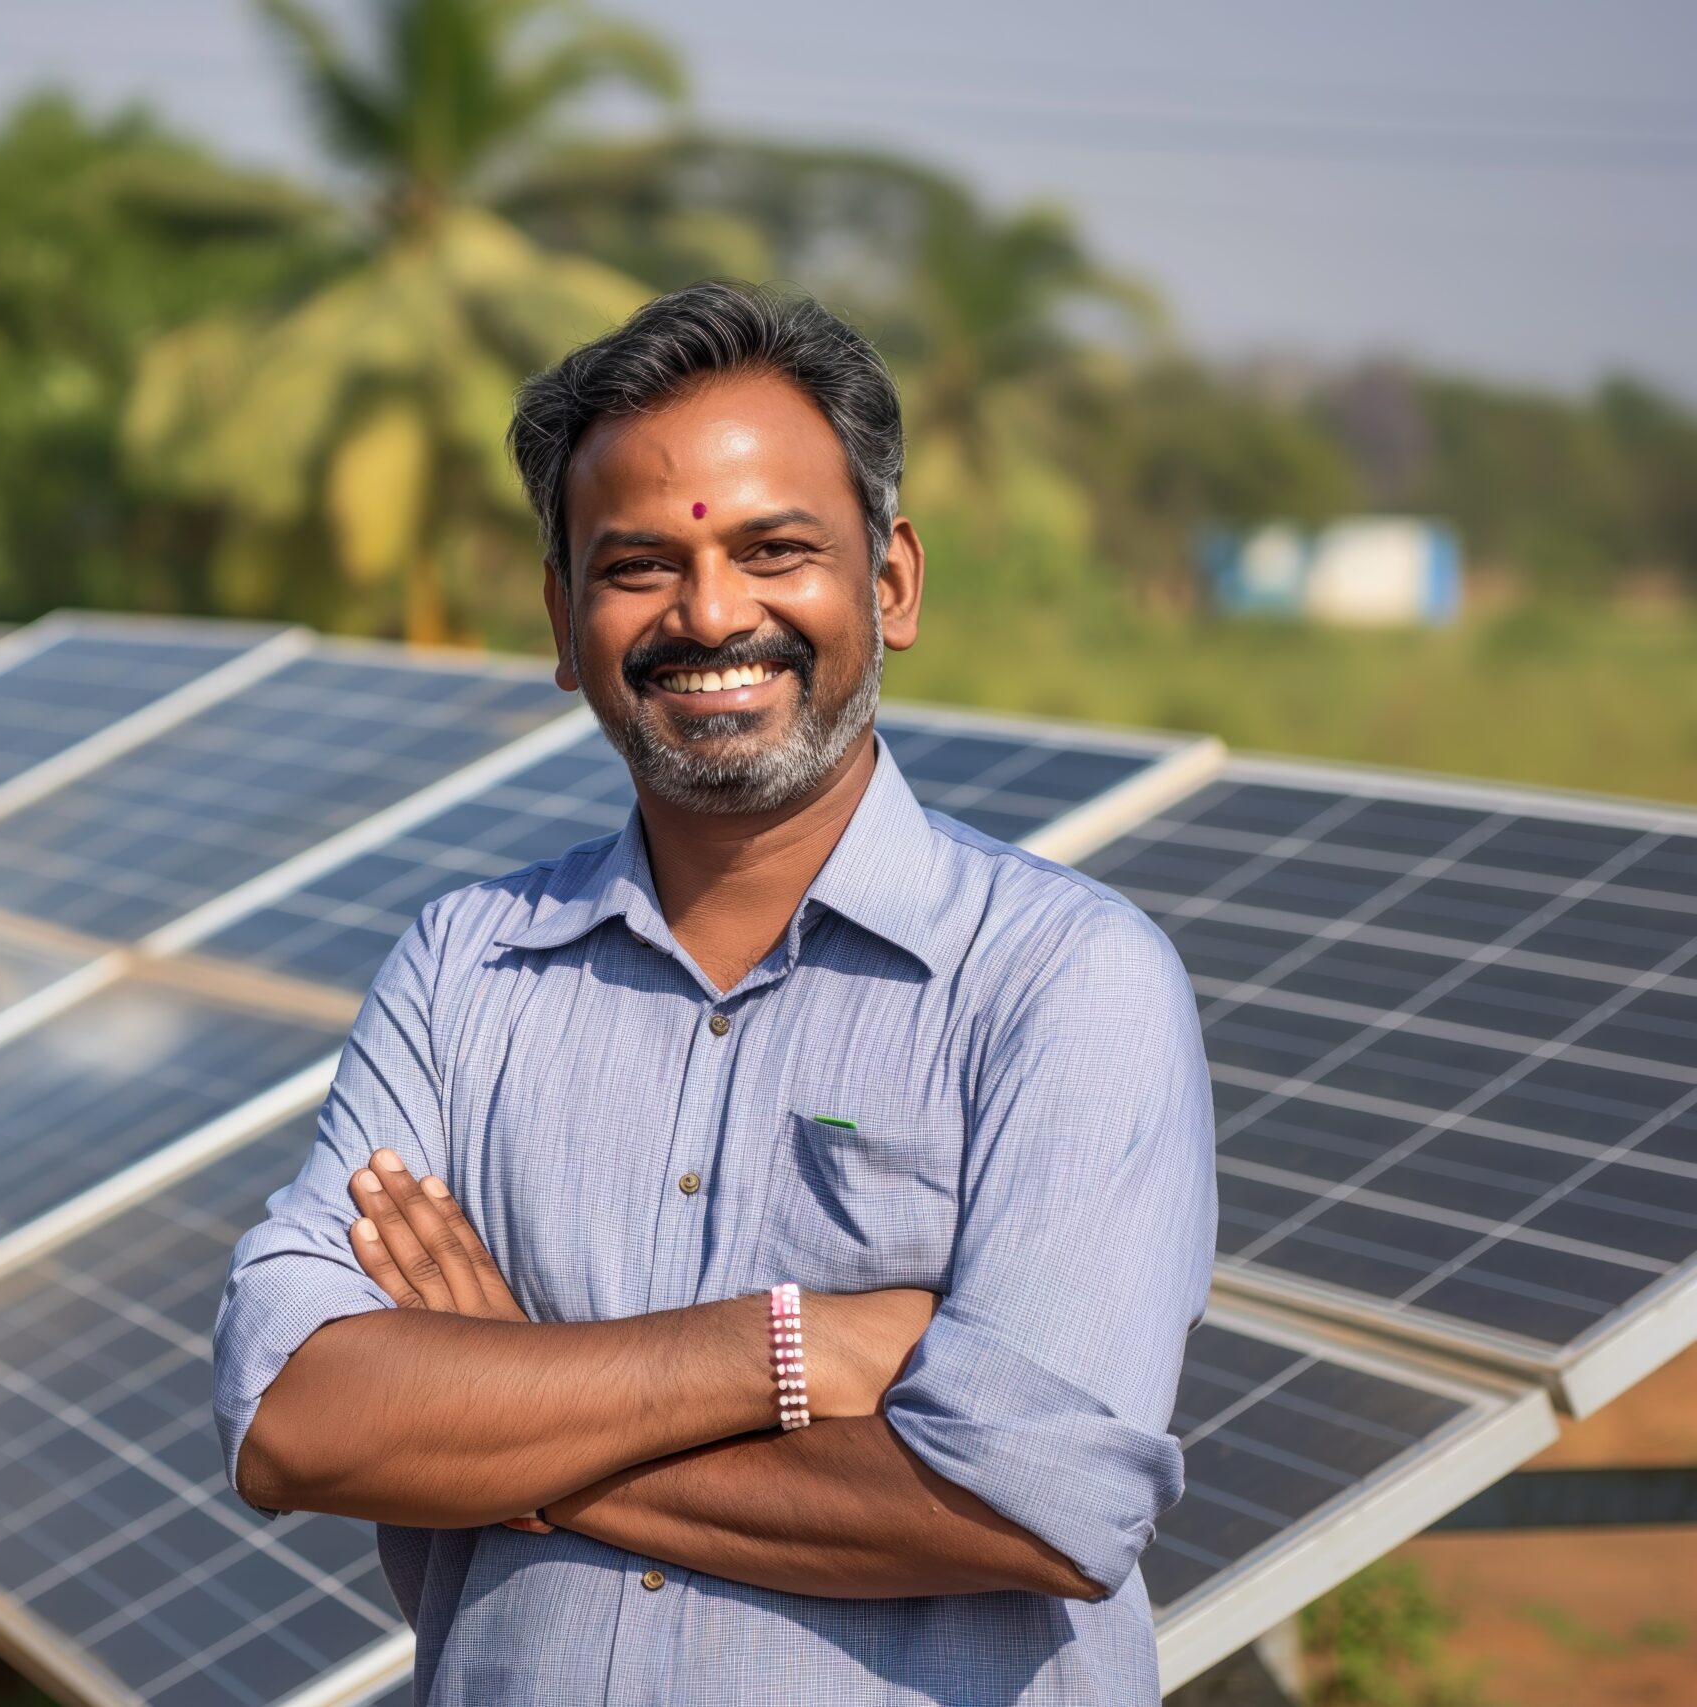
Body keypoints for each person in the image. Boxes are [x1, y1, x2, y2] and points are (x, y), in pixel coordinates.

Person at [212, 280, 1217, 1704]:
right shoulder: (466, 967)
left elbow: (1034, 1503)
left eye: (778, 549)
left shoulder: (1063, 981)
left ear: (892, 582)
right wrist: (779, 1350)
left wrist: (516, 1415)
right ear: (564, 623)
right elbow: (295, 1417)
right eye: (636, 566)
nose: (711, 610)